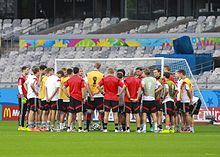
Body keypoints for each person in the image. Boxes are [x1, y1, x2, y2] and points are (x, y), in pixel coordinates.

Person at [97, 67, 123, 132]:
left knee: (106, 113)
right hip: (115, 98)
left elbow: (98, 86)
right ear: (113, 72)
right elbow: (124, 86)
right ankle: (116, 128)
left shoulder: (104, 79)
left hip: (107, 97)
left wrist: (102, 92)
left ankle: (105, 128)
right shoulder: (116, 79)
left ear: (108, 72)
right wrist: (119, 93)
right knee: (115, 113)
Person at [63, 67, 86, 132]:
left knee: (70, 113)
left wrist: (67, 95)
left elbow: (63, 87)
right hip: (78, 98)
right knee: (79, 113)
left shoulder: (70, 79)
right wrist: (83, 97)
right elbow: (83, 89)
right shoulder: (80, 80)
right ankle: (80, 128)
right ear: (78, 72)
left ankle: (68, 128)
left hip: (72, 97)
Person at [141, 68, 163, 133]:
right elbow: (161, 86)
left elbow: (142, 86)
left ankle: (144, 128)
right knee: (153, 114)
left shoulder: (143, 80)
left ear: (145, 73)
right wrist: (155, 91)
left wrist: (144, 92)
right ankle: (156, 128)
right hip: (152, 99)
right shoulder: (154, 79)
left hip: (146, 99)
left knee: (144, 114)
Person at [85, 63, 104, 131]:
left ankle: (87, 128)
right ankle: (103, 127)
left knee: (89, 111)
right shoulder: (102, 75)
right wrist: (98, 92)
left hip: (90, 96)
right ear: (99, 67)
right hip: (99, 96)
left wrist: (90, 94)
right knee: (101, 111)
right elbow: (102, 86)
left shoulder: (88, 74)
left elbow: (86, 85)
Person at [135, 67, 153, 132]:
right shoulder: (137, 79)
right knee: (140, 112)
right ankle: (141, 126)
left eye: (138, 71)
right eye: (136, 71)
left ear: (142, 72)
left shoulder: (145, 79)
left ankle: (151, 125)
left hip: (146, 98)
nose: (137, 73)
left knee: (148, 113)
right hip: (139, 98)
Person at [26, 66, 41, 131]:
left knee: (37, 111)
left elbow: (25, 84)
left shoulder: (30, 77)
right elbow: (32, 85)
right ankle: (31, 126)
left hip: (30, 96)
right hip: (33, 96)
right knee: (32, 111)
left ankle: (34, 125)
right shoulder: (34, 78)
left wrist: (28, 92)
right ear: (37, 72)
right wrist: (35, 92)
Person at [17, 66, 29, 131]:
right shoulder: (21, 78)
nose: (28, 71)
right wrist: (22, 95)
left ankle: (22, 125)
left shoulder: (25, 77)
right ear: (23, 70)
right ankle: (20, 125)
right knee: (22, 111)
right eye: (27, 70)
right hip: (22, 96)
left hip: (26, 96)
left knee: (24, 111)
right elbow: (19, 86)